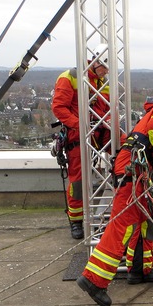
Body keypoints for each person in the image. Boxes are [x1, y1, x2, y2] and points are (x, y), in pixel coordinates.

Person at [76, 86, 153, 306]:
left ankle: (140, 269)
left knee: (144, 221)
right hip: (133, 171)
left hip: (140, 171)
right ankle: (94, 279)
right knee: (122, 225)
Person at [51, 43, 111, 239]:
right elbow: (59, 108)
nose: (105, 72)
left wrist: (105, 123)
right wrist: (81, 125)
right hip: (78, 135)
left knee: (121, 161)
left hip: (100, 133)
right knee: (78, 180)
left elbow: (106, 108)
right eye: (103, 67)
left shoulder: (104, 81)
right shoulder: (70, 77)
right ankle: (76, 221)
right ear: (94, 61)